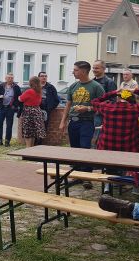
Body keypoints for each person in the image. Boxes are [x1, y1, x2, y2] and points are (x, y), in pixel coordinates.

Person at [59, 61, 105, 189]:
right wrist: (63, 122)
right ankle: (77, 174)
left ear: (84, 71)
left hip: (87, 121)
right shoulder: (73, 86)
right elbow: (68, 105)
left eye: (75, 70)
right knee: (75, 149)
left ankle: (87, 177)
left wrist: (88, 108)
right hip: (73, 121)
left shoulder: (96, 87)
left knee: (85, 148)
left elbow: (103, 106)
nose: (73, 72)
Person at [0, 73, 22, 147]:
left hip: (10, 108)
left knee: (9, 125)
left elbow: (19, 98)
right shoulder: (1, 86)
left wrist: (14, 106)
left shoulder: (16, 87)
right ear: (5, 78)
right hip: (1, 107)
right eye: (8, 78)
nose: (10, 79)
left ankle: (7, 140)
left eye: (11, 78)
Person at [19, 76, 46, 147]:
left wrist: (19, 97)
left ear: (31, 83)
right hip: (37, 110)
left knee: (28, 132)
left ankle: (28, 149)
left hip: (29, 111)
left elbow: (20, 99)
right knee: (34, 132)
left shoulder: (29, 91)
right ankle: (32, 149)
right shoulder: (39, 91)